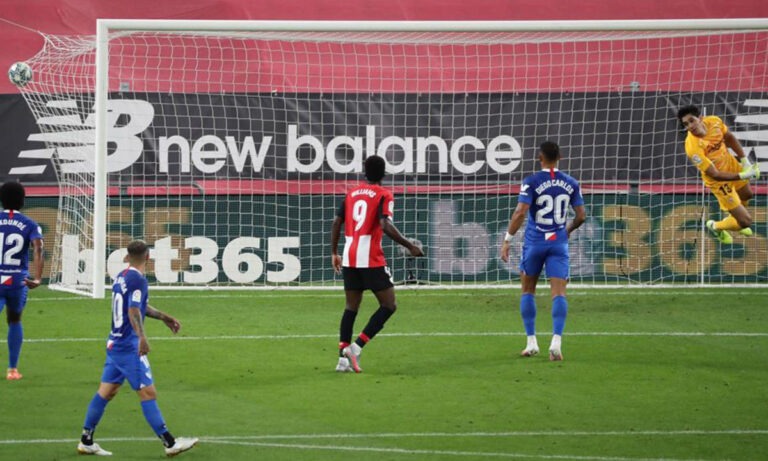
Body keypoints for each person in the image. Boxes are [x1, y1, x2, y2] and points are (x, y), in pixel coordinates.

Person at [77, 240, 197, 457]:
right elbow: (133, 310)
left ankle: (86, 440)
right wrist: (142, 337)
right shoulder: (138, 280)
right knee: (148, 393)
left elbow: (139, 306)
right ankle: (170, 443)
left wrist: (164, 317)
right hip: (127, 346)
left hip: (114, 343)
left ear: (127, 257)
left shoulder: (122, 276)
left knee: (107, 392)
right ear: (148, 257)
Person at [330, 156, 424, 373]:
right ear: (383, 174)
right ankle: (356, 347)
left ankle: (342, 361)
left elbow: (336, 222)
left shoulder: (351, 193)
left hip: (350, 256)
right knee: (389, 305)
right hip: (370, 258)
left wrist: (334, 252)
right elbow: (385, 224)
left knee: (351, 307)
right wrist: (410, 245)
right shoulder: (384, 194)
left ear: (365, 173)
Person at [500, 142, 586, 361]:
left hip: (535, 243)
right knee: (559, 293)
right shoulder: (571, 182)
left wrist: (507, 240)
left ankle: (531, 343)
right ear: (560, 157)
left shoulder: (531, 181)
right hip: (558, 243)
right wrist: (567, 231)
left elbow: (520, 212)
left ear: (540, 158)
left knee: (528, 290)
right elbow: (581, 216)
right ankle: (556, 343)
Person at [677, 105, 760, 244]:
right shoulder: (692, 147)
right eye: (686, 124)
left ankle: (733, 220)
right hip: (718, 181)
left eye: (692, 121)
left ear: (700, 118)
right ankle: (715, 226)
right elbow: (715, 174)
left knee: (747, 195)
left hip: (731, 164)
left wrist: (744, 161)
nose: (690, 126)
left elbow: (729, 137)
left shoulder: (714, 121)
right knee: (745, 222)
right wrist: (743, 175)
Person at [0, 181, 43, 381]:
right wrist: (38, 277)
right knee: (14, 320)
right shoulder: (30, 224)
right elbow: (38, 248)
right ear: (23, 201)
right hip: (17, 280)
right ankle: (12, 370)